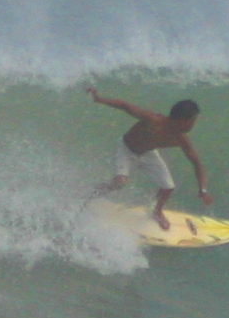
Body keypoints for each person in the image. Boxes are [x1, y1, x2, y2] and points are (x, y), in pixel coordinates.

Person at [89, 85, 212, 231]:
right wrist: (99, 99)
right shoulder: (153, 120)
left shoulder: (180, 139)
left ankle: (157, 212)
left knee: (168, 187)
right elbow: (125, 106)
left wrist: (203, 189)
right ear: (182, 121)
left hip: (148, 154)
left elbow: (196, 163)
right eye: (192, 121)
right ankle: (92, 194)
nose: (193, 125)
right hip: (126, 149)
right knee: (120, 183)